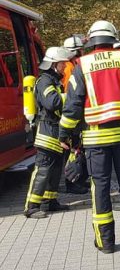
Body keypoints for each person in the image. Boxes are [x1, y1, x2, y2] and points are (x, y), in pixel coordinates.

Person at [59, 20, 120, 254]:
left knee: (99, 188)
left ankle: (106, 242)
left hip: (96, 139)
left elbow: (72, 105)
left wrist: (65, 133)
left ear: (91, 41)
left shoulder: (82, 64)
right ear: (112, 38)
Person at [24, 47, 72, 219]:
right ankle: (31, 206)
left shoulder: (54, 81)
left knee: (55, 169)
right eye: (62, 64)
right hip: (47, 131)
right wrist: (71, 97)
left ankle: (50, 202)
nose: (64, 67)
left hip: (55, 130)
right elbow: (52, 102)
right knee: (43, 169)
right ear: (53, 64)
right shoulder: (45, 81)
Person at [62, 35, 89, 194]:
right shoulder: (69, 67)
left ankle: (77, 180)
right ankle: (71, 182)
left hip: (73, 114)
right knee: (74, 150)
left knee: (77, 149)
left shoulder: (70, 64)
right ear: (76, 51)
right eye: (81, 49)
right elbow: (70, 93)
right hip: (73, 115)